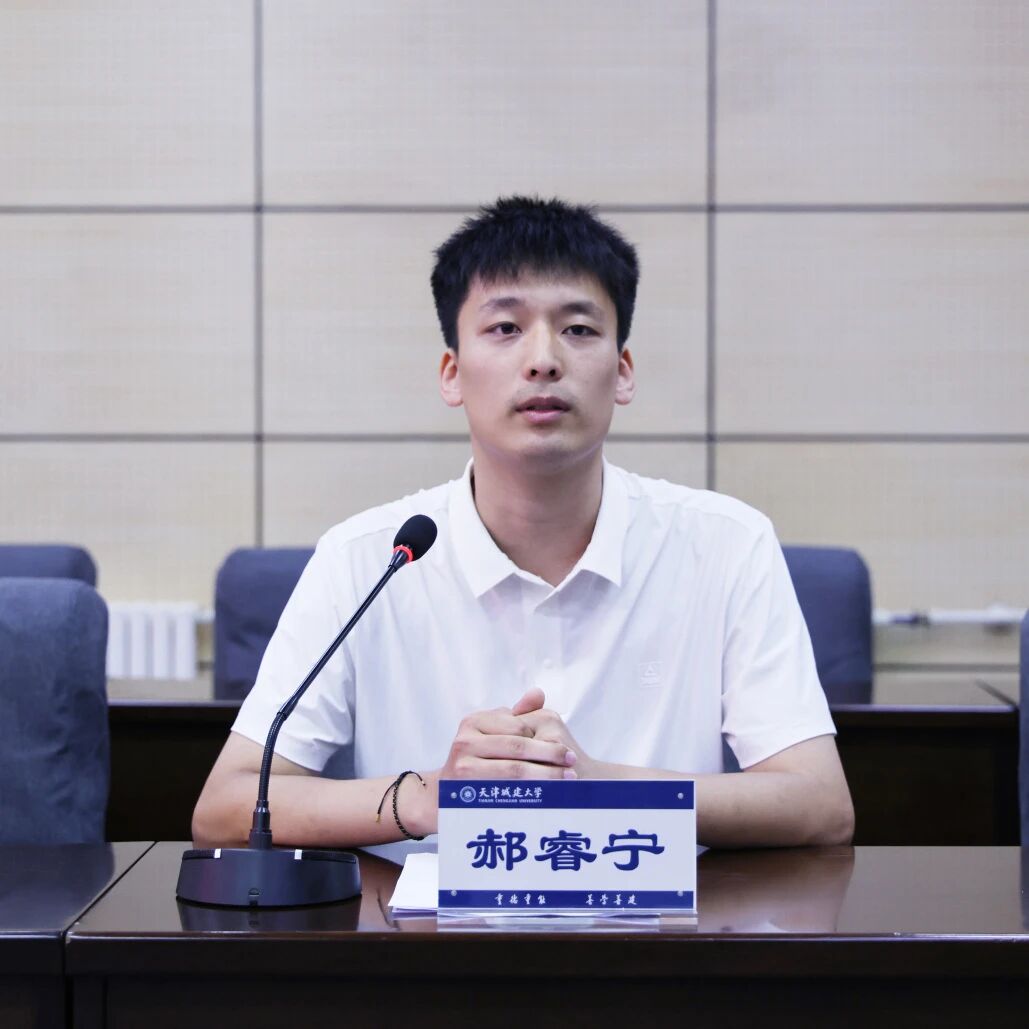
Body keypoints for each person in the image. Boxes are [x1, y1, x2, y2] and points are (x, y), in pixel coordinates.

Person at [193, 196, 854, 862]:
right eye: (505, 327)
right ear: (452, 373)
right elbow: (225, 806)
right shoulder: (365, 559)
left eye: (578, 329)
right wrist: (426, 797)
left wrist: (601, 786)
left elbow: (819, 803)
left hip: (661, 926)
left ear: (622, 372)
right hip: (420, 926)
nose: (543, 360)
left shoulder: (726, 545)